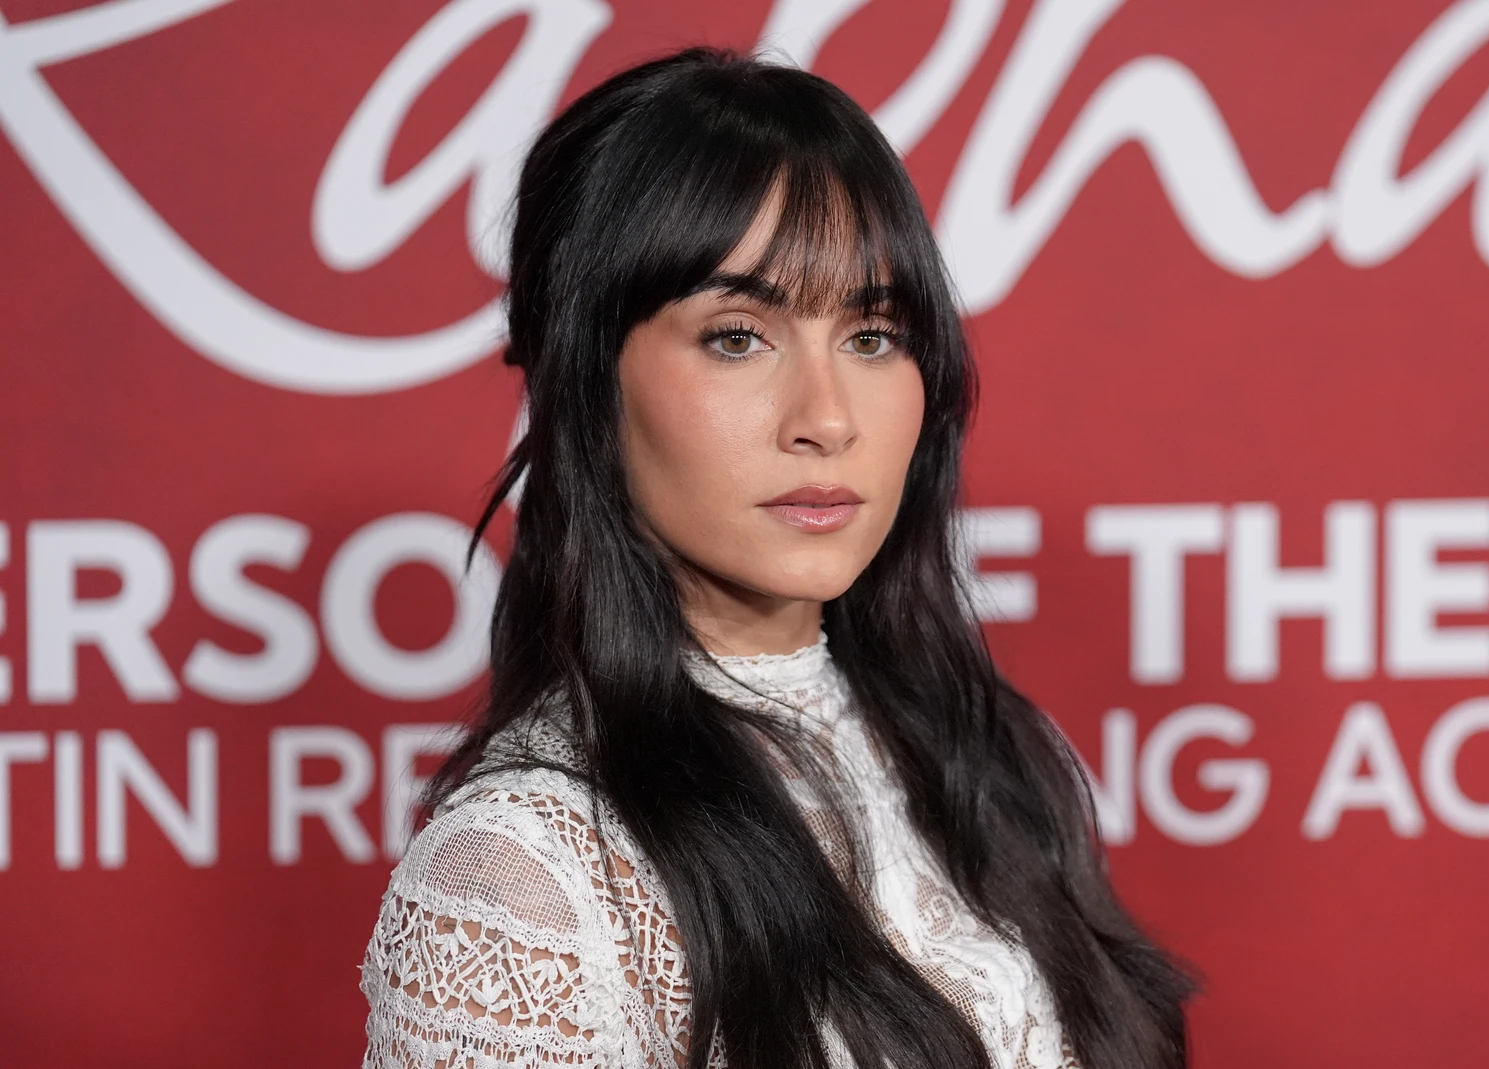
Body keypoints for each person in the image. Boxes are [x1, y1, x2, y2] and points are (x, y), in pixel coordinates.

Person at [358, 45, 1193, 1069]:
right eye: (738, 336)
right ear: (583, 381)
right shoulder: (523, 874)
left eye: (873, 333)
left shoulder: (986, 756)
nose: (827, 418)